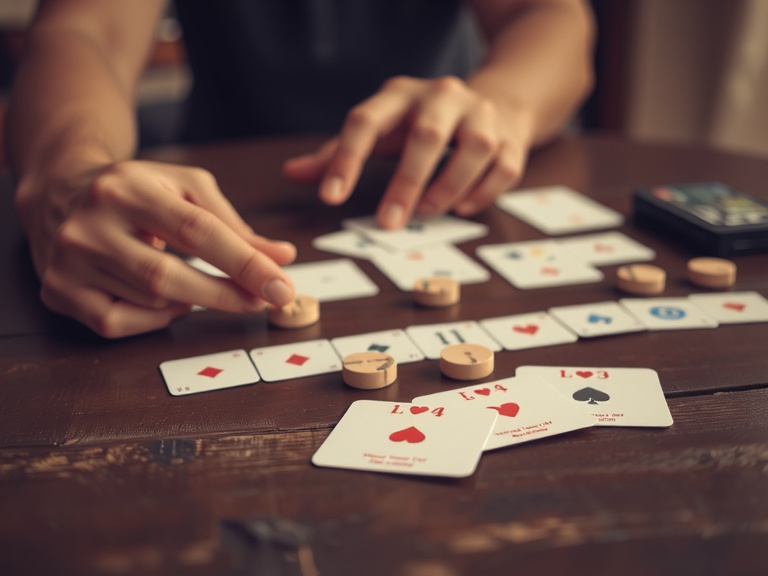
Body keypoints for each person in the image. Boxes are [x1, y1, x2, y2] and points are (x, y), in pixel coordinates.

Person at [6, 0, 596, 338]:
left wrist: (500, 102)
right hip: (217, 203)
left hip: (443, 181)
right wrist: (69, 168)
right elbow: (85, 29)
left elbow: (550, 14)